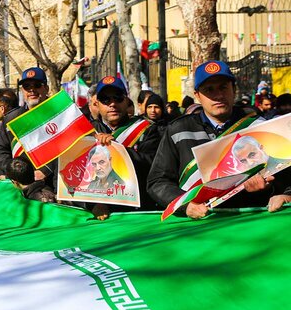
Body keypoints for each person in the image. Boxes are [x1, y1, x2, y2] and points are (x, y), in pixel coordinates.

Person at [147, 60, 291, 217]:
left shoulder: (258, 126)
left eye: (223, 87)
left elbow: (285, 175)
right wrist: (185, 205)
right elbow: (158, 182)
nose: (218, 95)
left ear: (233, 89)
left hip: (251, 218)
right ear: (197, 96)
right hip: (199, 226)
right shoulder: (178, 130)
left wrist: (279, 192)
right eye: (209, 89)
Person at [88, 76, 163, 213]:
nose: (112, 104)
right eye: (106, 100)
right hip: (96, 213)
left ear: (126, 101)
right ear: (97, 104)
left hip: (136, 211)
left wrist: (117, 150)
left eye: (118, 98)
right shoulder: (87, 132)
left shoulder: (147, 129)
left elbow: (155, 166)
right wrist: (90, 205)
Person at [0, 68, 55, 191]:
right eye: (27, 86)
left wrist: (46, 170)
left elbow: (71, 147)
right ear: (22, 91)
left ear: (46, 88)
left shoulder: (59, 114)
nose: (32, 90)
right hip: (18, 186)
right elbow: (0, 148)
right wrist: (12, 170)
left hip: (50, 185)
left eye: (37, 85)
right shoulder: (11, 118)